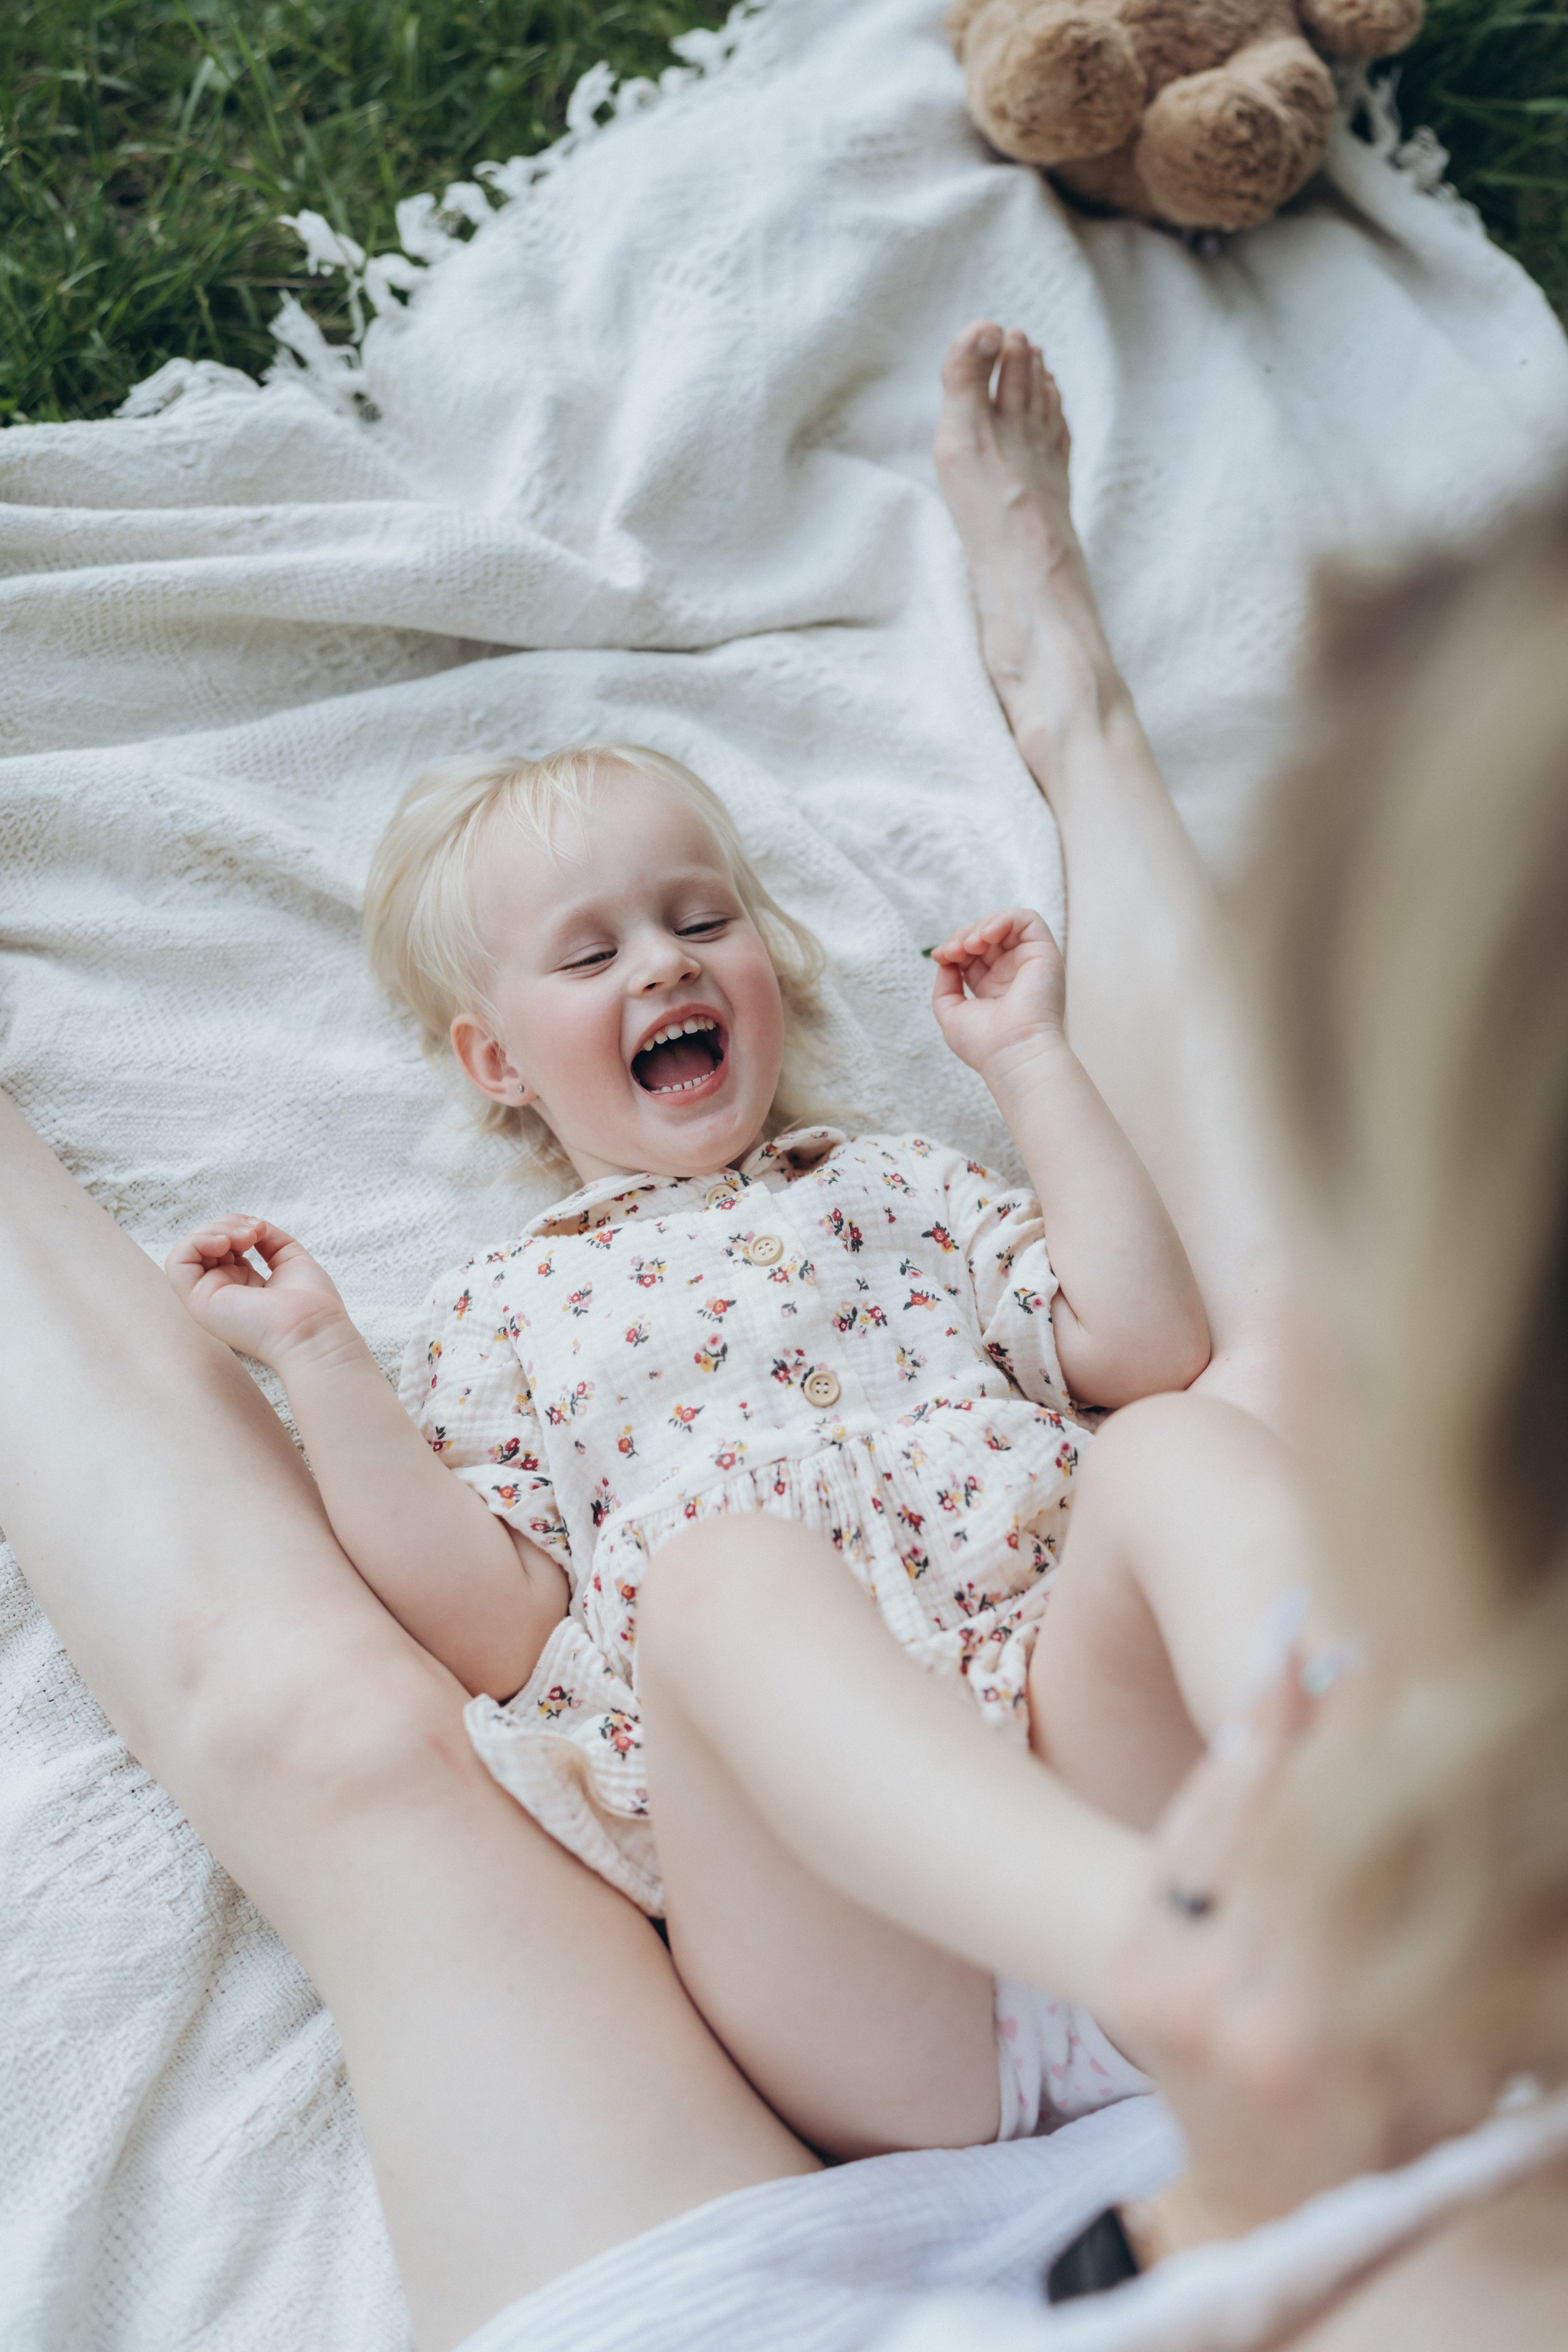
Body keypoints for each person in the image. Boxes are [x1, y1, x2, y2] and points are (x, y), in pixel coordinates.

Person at [1, 323, 1564, 2352]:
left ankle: (1369, 1793)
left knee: (1193, 1442)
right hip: (888, 1971)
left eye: (702, 917)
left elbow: (1137, 1342)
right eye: (593, 954)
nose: (667, 962)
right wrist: (323, 1368)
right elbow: (489, 1614)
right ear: (491, 1064)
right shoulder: (512, 1306)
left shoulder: (895, 1184)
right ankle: (1214, 1936)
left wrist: (1026, 1075)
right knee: (694, 1598)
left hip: (1120, 1786)